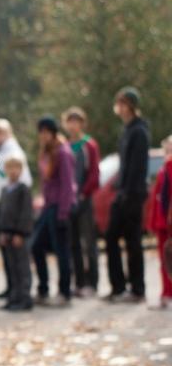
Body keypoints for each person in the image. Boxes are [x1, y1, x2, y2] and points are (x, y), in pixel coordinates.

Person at [104, 87, 150, 304]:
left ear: (130, 106)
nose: (119, 108)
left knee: (133, 242)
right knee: (111, 238)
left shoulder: (139, 131)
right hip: (122, 194)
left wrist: (128, 193)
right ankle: (118, 286)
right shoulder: (127, 130)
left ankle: (137, 288)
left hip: (132, 195)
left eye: (123, 103)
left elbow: (137, 168)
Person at [31, 116, 76, 307]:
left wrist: (64, 213)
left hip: (60, 207)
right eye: (40, 132)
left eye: (46, 132)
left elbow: (68, 184)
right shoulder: (47, 152)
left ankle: (65, 292)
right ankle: (43, 289)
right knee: (35, 246)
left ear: (52, 132)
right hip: (48, 206)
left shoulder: (63, 152)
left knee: (61, 251)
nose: (43, 136)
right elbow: (46, 182)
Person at [0, 118, 32, 300]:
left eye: (0, 133)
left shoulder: (13, 152)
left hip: (12, 210)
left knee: (17, 256)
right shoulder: (0, 151)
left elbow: (20, 182)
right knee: (7, 254)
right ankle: (12, 289)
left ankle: (20, 292)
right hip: (2, 206)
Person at [62, 107, 100, 296]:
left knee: (89, 242)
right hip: (70, 202)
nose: (73, 125)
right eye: (70, 121)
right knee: (74, 243)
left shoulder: (89, 145)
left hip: (84, 199)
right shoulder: (66, 146)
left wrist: (84, 193)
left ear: (81, 123)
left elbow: (94, 173)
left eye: (76, 121)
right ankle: (80, 283)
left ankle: (93, 283)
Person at [0, 155, 33, 311]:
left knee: (22, 267)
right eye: (10, 168)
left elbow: (26, 213)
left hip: (19, 235)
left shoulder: (23, 189)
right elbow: (2, 214)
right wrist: (2, 232)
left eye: (16, 168)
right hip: (7, 234)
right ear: (5, 170)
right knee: (11, 267)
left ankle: (25, 298)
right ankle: (14, 297)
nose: (13, 171)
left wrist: (21, 233)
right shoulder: (5, 189)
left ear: (21, 170)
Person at [148, 135, 172, 309]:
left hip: (169, 222)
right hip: (162, 222)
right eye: (166, 150)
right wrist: (153, 221)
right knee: (164, 261)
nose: (168, 153)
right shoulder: (164, 169)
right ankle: (165, 293)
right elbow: (157, 199)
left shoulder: (170, 168)